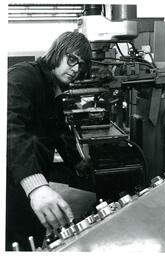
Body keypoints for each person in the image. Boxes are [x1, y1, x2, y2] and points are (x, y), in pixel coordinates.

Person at [6, 31, 92, 251]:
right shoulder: (23, 76)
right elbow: (9, 127)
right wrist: (36, 187)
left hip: (33, 185)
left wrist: (77, 162)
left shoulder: (53, 88)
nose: (75, 69)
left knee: (32, 239)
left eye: (81, 66)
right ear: (58, 51)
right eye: (72, 60)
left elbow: (58, 129)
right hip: (12, 184)